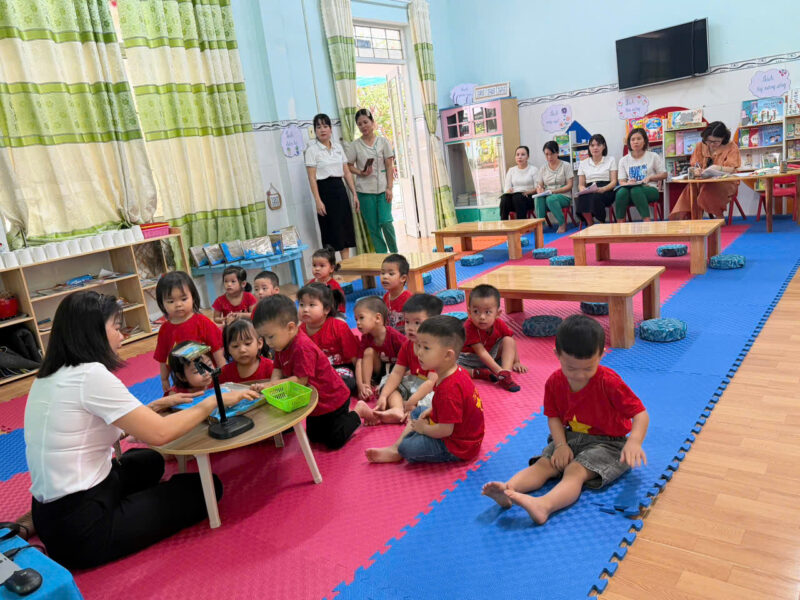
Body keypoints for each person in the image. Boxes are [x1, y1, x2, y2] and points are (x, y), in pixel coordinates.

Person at [23, 291, 258, 569]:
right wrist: (210, 403)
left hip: (51, 512)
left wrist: (158, 404)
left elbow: (97, 428)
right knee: (204, 489)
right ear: (93, 332)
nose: (122, 335)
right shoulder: (91, 376)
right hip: (83, 530)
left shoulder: (49, 376)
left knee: (150, 461)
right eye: (116, 327)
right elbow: (160, 434)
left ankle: (34, 523)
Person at [481, 315, 649, 525]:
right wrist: (560, 445)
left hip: (609, 444)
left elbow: (640, 414)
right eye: (571, 368)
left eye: (588, 368)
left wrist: (634, 442)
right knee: (544, 464)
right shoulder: (554, 382)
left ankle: (544, 506)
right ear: (557, 355)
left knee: (575, 470)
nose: (579, 375)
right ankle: (508, 490)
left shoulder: (609, 382)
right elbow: (553, 417)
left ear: (601, 355)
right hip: (569, 437)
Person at [252, 295, 373, 448]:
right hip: (315, 403)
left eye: (270, 336)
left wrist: (270, 386)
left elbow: (301, 380)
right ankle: (344, 418)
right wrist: (271, 387)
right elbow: (277, 368)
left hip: (333, 399)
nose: (268, 343)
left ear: (290, 327)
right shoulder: (280, 345)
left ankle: (358, 411)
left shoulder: (302, 347)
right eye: (264, 337)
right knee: (314, 436)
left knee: (334, 440)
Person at [365, 315, 485, 464]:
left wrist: (424, 430)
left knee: (407, 448)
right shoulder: (453, 372)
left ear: (447, 355)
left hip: (459, 446)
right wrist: (432, 411)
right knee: (419, 412)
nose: (419, 352)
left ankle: (399, 449)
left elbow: (446, 430)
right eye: (419, 346)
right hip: (460, 431)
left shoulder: (449, 389)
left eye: (426, 348)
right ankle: (395, 449)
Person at [373, 293, 444, 424]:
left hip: (432, 388)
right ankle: (398, 409)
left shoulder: (436, 348)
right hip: (414, 384)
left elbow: (431, 383)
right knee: (387, 382)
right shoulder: (407, 345)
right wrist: (383, 396)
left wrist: (412, 401)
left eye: (417, 323)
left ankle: (413, 411)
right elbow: (397, 373)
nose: (410, 328)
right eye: (407, 322)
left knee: (438, 401)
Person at [154, 271, 224, 394]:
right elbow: (162, 357)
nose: (178, 304)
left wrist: (223, 374)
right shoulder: (165, 329)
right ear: (162, 304)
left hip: (207, 379)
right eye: (171, 301)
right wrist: (164, 379)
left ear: (193, 297)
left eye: (184, 299)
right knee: (171, 397)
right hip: (183, 382)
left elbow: (217, 350)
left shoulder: (202, 322)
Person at [305, 113, 359, 261]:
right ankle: (332, 269)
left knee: (345, 231)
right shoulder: (312, 151)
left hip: (340, 190)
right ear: (315, 131)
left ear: (330, 129)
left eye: (325, 126)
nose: (322, 129)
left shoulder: (338, 147)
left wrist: (354, 194)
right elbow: (312, 178)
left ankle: (346, 267)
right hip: (324, 192)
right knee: (331, 234)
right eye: (318, 127)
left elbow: (346, 172)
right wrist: (318, 201)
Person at [457, 284, 526, 392]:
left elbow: (511, 340)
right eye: (476, 311)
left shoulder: (499, 323)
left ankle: (506, 374)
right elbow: (481, 352)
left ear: (497, 313)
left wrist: (516, 361)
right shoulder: (469, 326)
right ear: (469, 312)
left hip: (490, 356)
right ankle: (477, 373)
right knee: (449, 368)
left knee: (508, 340)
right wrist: (498, 371)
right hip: (469, 359)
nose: (482, 317)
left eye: (488, 312)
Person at [347, 108, 398, 253]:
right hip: (364, 192)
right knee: (374, 228)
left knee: (386, 222)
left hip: (383, 190)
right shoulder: (355, 145)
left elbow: (389, 166)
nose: (363, 126)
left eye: (365, 122)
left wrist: (390, 188)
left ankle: (395, 254)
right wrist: (360, 172)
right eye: (359, 124)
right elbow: (349, 166)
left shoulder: (383, 142)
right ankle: (382, 257)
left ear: (372, 122)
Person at [670, 121, 741, 220]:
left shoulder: (731, 146)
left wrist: (716, 168)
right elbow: (695, 164)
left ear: (723, 138)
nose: (711, 144)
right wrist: (697, 170)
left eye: (716, 141)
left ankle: (719, 217)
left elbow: (732, 168)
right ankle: (692, 218)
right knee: (691, 188)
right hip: (703, 180)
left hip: (726, 181)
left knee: (707, 189)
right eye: (709, 141)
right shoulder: (700, 146)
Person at [298, 283, 359, 395]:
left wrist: (362, 383)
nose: (305, 309)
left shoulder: (339, 327)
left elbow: (355, 357)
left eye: (311, 305)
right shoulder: (299, 331)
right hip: (316, 371)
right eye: (301, 304)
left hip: (339, 368)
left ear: (326, 309)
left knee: (346, 383)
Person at [354, 295, 407, 403]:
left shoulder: (394, 336)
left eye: (361, 318)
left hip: (396, 371)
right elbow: (359, 362)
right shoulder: (366, 337)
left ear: (377, 318)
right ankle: (368, 387)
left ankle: (383, 386)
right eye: (356, 319)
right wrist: (361, 385)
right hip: (380, 372)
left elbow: (408, 356)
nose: (358, 323)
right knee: (368, 351)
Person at [615, 128, 667, 222]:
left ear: (644, 141)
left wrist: (650, 177)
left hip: (650, 189)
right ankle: (620, 225)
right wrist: (628, 183)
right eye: (633, 139)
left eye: (639, 139)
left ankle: (647, 222)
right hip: (630, 190)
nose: (636, 142)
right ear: (629, 143)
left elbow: (664, 174)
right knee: (621, 192)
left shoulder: (653, 156)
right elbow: (621, 181)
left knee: (636, 190)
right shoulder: (623, 160)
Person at [576, 134, 618, 225]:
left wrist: (603, 189)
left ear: (604, 146)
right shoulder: (583, 163)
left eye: (598, 145)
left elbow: (614, 182)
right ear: (589, 147)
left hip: (606, 189)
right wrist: (583, 190)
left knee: (596, 197)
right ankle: (590, 223)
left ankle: (601, 223)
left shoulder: (611, 160)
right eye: (592, 145)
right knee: (582, 198)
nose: (595, 148)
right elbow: (581, 184)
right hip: (589, 188)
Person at [219, 320, 274, 384]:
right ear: (228, 349)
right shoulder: (224, 373)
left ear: (259, 343)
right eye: (235, 346)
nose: (242, 350)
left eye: (247, 344)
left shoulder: (271, 368)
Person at [535, 141, 574, 233]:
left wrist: (554, 191)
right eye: (546, 154)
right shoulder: (543, 168)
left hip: (563, 195)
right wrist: (539, 189)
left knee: (551, 199)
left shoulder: (566, 165)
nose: (549, 157)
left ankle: (562, 224)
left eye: (552, 154)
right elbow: (539, 184)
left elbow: (570, 185)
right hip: (548, 194)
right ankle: (540, 225)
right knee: (538, 198)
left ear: (557, 153)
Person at [499, 145, 539, 220]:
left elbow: (538, 188)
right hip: (514, 199)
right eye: (517, 155)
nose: (519, 157)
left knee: (518, 197)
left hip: (528, 198)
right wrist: (508, 191)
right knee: (504, 198)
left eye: (523, 154)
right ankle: (503, 223)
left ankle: (522, 223)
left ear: (528, 157)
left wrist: (528, 192)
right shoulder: (511, 170)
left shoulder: (533, 169)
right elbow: (506, 188)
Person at [309, 246, 346, 314]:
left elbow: (341, 303)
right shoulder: (311, 283)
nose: (317, 269)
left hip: (333, 313)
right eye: (314, 265)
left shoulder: (334, 285)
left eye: (322, 266)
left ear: (331, 268)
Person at [381, 253, 412, 333]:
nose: (385, 277)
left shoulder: (409, 299)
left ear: (403, 278)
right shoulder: (385, 297)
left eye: (391, 274)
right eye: (383, 273)